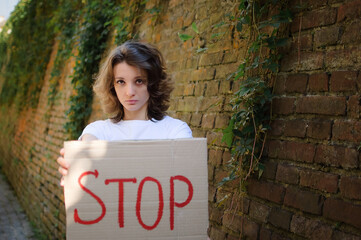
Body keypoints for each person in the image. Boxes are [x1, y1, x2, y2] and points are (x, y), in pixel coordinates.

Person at [57, 41, 192, 185]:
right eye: (121, 82)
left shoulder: (176, 131)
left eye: (139, 81)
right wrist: (78, 161)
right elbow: (89, 143)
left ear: (153, 83)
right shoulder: (99, 130)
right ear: (112, 86)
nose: (130, 92)